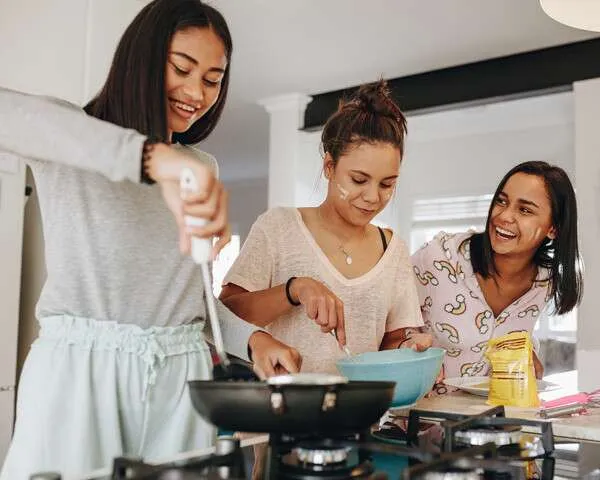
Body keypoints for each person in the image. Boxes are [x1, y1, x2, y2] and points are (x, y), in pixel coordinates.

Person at [0, 1, 300, 478]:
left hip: (180, 383)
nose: (195, 92)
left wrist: (253, 340)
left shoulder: (203, 168)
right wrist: (149, 158)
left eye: (212, 78)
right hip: (80, 378)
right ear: (141, 59)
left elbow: (189, 303)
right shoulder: (72, 137)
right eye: (181, 68)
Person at [219, 80, 432, 375]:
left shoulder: (392, 249)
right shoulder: (279, 227)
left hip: (357, 417)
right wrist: (294, 289)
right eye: (359, 180)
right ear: (329, 167)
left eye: (387, 184)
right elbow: (225, 317)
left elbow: (393, 340)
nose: (373, 197)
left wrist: (408, 349)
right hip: (279, 413)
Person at [411, 161, 582, 394]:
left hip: (488, 422)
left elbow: (515, 334)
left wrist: (528, 355)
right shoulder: (440, 256)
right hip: (416, 421)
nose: (504, 216)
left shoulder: (545, 281)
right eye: (502, 201)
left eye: (525, 210)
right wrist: (413, 350)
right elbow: (390, 325)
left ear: (553, 228)